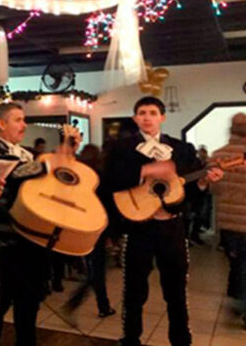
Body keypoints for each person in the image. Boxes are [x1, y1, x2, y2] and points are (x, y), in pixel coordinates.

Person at [103, 96, 223, 346]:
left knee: (176, 290)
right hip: (138, 227)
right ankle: (131, 338)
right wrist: (146, 171)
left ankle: (181, 340)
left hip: (171, 227)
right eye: (142, 112)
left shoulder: (181, 149)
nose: (147, 117)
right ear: (136, 118)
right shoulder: (122, 147)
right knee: (134, 290)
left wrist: (202, 182)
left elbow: (187, 191)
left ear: (162, 117)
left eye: (152, 112)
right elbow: (110, 182)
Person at [0, 102, 54, 346]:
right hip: (3, 241)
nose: (24, 125)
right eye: (18, 119)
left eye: (24, 119)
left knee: (28, 304)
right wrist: (49, 162)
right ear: (1, 124)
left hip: (32, 240)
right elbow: (9, 175)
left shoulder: (28, 153)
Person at [211, 113, 246, 329]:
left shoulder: (218, 155)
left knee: (237, 262)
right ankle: (241, 304)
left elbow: (214, 189)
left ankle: (236, 298)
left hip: (227, 221)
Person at [79, 144, 117, 318]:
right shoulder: (103, 178)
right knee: (98, 266)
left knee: (90, 263)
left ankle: (86, 282)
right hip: (98, 226)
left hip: (79, 224)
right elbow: (108, 207)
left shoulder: (79, 177)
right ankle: (103, 305)